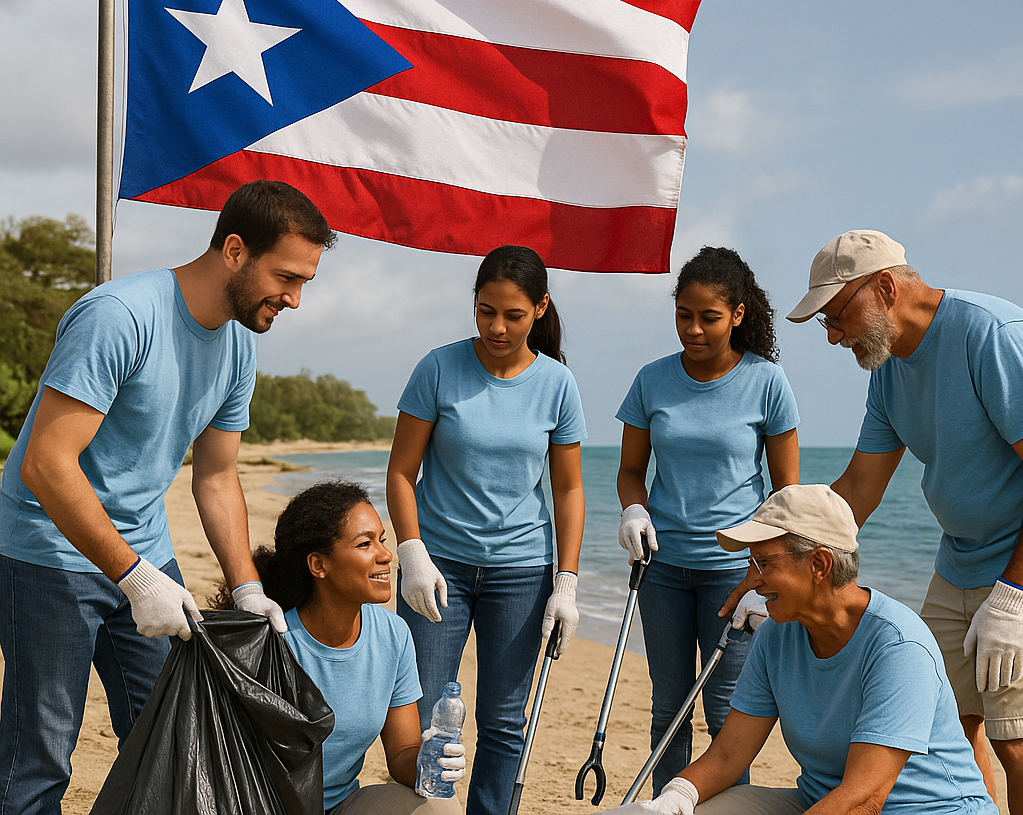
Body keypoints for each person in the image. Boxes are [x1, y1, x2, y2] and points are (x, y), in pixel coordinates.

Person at [0, 180, 334, 815]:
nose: (293, 299)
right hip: (46, 551)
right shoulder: (121, 316)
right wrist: (132, 578)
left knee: (178, 741)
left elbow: (215, 476)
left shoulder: (238, 345)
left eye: (304, 284)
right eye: (286, 278)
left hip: (147, 553)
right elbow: (47, 463)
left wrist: (246, 588)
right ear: (235, 250)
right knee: (39, 753)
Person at [782, 229, 1023, 813]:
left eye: (837, 317)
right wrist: (777, 559)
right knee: (945, 738)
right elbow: (857, 492)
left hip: (1017, 570)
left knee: (1014, 741)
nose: (834, 337)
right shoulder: (887, 371)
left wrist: (1014, 594)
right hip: (958, 564)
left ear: (885, 286)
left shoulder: (989, 335)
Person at [606, 484, 998, 815]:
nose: (752, 581)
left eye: (764, 563)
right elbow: (727, 757)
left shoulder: (897, 645)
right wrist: (675, 797)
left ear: (819, 564)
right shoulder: (777, 636)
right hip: (820, 802)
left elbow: (865, 798)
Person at [385, 244, 587, 815]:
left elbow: (570, 490)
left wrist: (567, 584)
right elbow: (402, 471)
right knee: (423, 716)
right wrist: (412, 552)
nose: (496, 327)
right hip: (439, 566)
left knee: (503, 720)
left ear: (541, 309)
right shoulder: (438, 368)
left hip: (522, 571)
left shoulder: (557, 385)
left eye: (513, 315)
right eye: (484, 311)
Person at [616, 246, 800, 793]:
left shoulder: (767, 382)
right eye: (683, 316)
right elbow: (630, 470)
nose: (693, 330)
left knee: (726, 711)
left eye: (708, 317)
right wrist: (634, 509)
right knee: (668, 708)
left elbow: (787, 493)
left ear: (738, 315)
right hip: (663, 568)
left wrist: (767, 574)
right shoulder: (652, 380)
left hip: (735, 571)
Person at [248, 480, 465, 815]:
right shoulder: (271, 642)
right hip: (259, 806)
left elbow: (402, 751)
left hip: (340, 806)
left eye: (382, 540)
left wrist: (428, 762)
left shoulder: (393, 635)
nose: (386, 555)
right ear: (318, 565)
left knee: (440, 808)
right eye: (365, 544)